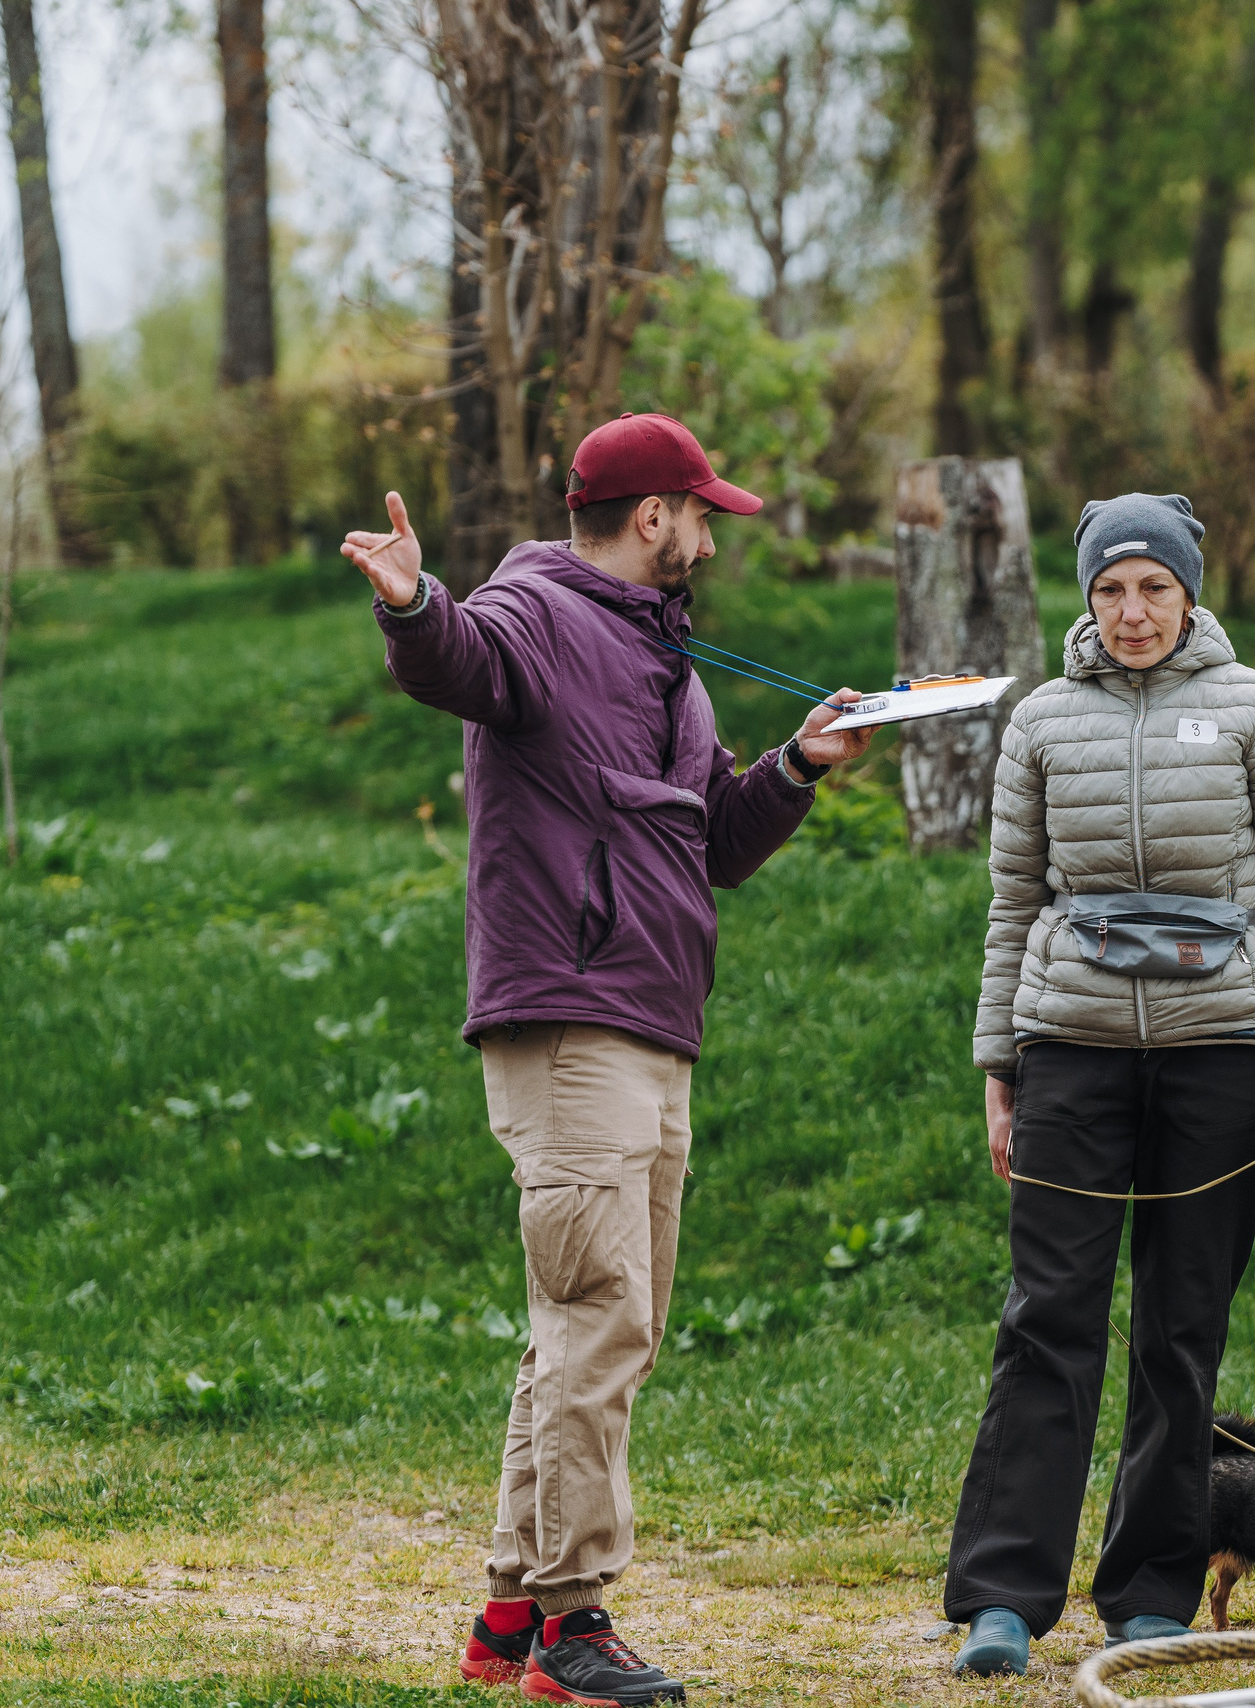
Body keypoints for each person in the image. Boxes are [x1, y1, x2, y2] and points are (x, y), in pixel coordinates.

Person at [339, 413, 873, 1707]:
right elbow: (458, 659)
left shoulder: (669, 673)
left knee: (585, 1329)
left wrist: (798, 766)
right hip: (569, 1024)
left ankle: (512, 1614)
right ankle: (580, 1633)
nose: (711, 533)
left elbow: (716, 847)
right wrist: (415, 607)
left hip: (652, 1030)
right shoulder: (536, 614)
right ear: (653, 519)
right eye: (703, 514)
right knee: (597, 1322)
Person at [942, 492, 1255, 1677]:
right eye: (1109, 589)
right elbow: (1012, 905)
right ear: (1085, 596)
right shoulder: (1041, 722)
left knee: (1181, 1331)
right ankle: (1004, 1599)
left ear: (1189, 591)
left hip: (1226, 1052)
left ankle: (1153, 1593)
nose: (1130, 612)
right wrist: (999, 1069)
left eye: (1152, 588)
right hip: (1069, 1048)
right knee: (1047, 1319)